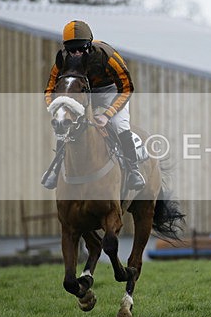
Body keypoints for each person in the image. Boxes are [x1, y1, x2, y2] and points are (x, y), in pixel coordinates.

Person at [41, 20, 145, 191]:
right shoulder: (62, 61)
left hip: (110, 91)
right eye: (71, 49)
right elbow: (49, 89)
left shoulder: (107, 56)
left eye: (80, 49)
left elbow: (126, 87)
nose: (76, 53)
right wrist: (57, 108)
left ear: (89, 45)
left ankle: (133, 170)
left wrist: (107, 115)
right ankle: (56, 168)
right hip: (82, 92)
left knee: (120, 124)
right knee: (66, 124)